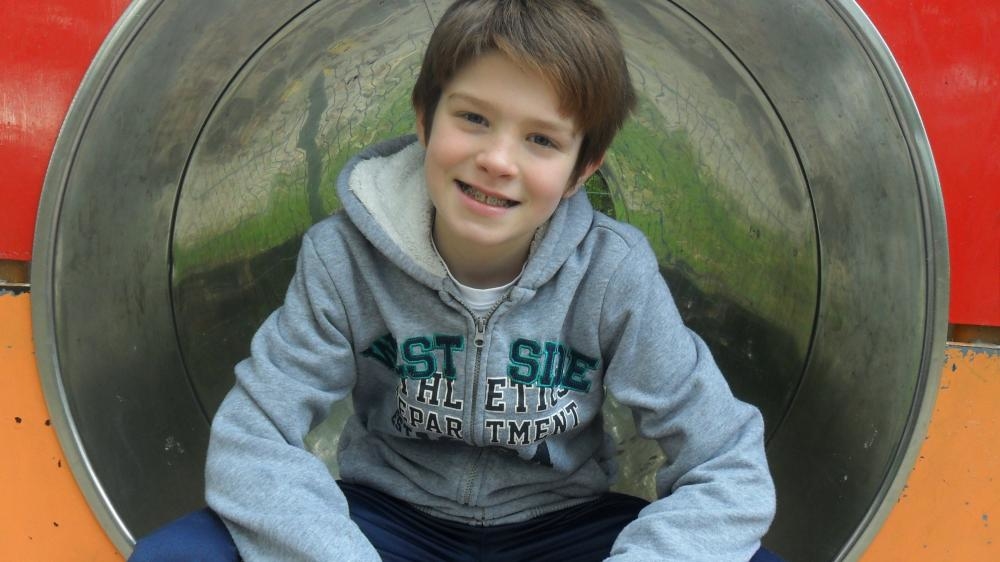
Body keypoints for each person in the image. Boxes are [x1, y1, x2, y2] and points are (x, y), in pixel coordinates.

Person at [136, 1, 778, 560]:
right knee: (177, 555)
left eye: (541, 140)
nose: (497, 160)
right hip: (387, 520)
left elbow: (728, 464)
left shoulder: (613, 274)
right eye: (473, 118)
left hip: (562, 526)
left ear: (583, 169)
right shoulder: (343, 258)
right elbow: (253, 436)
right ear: (424, 118)